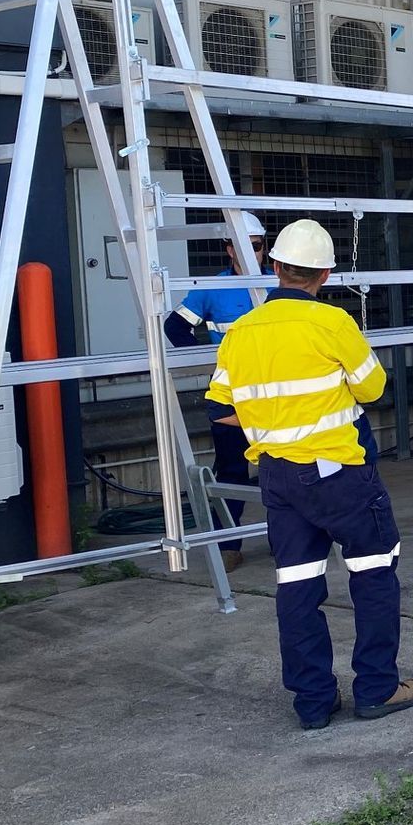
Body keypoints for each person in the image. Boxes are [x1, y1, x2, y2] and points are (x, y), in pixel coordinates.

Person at [208, 219, 413, 729]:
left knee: (298, 586)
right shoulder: (332, 324)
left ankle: (312, 702)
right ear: (325, 274)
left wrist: (274, 419)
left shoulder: (241, 332)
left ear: (276, 267)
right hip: (340, 475)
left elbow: (221, 408)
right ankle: (376, 688)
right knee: (372, 576)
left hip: (278, 479)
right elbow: (372, 390)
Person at [164, 217, 269, 572]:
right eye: (242, 246)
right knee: (232, 471)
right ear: (228, 249)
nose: (251, 253)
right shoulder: (213, 287)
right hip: (233, 398)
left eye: (256, 245)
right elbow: (175, 325)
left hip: (279, 395)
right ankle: (229, 545)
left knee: (286, 467)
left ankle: (288, 539)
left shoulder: (279, 286)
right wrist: (210, 367)